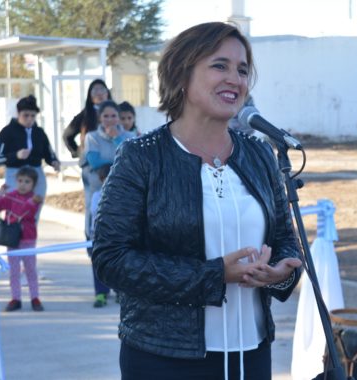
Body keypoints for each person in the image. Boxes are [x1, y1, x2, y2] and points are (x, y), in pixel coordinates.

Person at [92, 22, 302, 380]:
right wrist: (214, 275)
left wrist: (281, 272)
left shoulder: (260, 155)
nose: (235, 79)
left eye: (242, 70)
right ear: (182, 74)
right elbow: (111, 258)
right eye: (219, 65)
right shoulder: (141, 157)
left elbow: (283, 238)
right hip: (163, 357)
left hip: (251, 353)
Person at [82, 100, 134, 257]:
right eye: (106, 116)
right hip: (98, 187)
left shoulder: (129, 136)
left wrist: (117, 139)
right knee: (95, 220)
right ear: (100, 118)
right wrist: (118, 166)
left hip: (123, 190)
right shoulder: (92, 137)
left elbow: (131, 160)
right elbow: (94, 161)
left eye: (113, 116)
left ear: (118, 117)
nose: (110, 119)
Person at [62, 79, 112, 240]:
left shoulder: (114, 111)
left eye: (102, 90)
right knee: (93, 202)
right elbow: (67, 135)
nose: (99, 93)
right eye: (95, 91)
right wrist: (78, 152)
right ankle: (91, 238)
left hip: (113, 165)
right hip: (92, 168)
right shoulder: (85, 115)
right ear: (90, 96)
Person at [0, 95, 60, 206]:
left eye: (33, 116)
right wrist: (16, 155)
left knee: (34, 208)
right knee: (15, 208)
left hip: (36, 174)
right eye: (25, 115)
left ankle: (31, 224)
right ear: (18, 114)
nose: (29, 119)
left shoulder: (39, 132)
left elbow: (48, 151)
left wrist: (54, 161)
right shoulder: (7, 132)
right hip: (15, 175)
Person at [0, 166, 44, 312]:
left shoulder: (34, 199)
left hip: (28, 239)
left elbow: (27, 213)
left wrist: (32, 202)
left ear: (33, 184)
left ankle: (34, 297)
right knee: (14, 271)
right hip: (13, 240)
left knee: (30, 269)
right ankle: (15, 298)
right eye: (20, 181)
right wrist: (0, 194)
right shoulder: (10, 196)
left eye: (27, 182)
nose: (23, 184)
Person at [89, 163, 112, 307]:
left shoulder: (127, 195)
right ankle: (101, 293)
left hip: (118, 238)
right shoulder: (97, 195)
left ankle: (120, 292)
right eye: (106, 178)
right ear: (101, 179)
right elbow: (95, 214)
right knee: (99, 264)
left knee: (118, 266)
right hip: (99, 237)